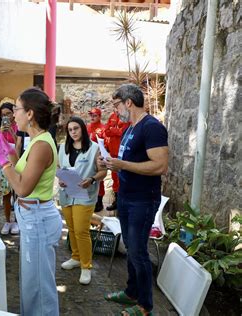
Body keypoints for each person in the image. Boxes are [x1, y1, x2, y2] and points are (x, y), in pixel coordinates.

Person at [0, 88, 62, 315]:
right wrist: (10, 150)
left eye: (17, 109)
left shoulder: (41, 145)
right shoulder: (35, 140)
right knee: (32, 282)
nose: (14, 115)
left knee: (40, 287)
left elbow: (22, 188)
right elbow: (22, 169)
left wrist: (3, 163)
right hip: (32, 217)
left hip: (38, 218)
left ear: (29, 113)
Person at [101, 84, 168, 316]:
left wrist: (123, 165)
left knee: (139, 251)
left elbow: (160, 165)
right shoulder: (131, 128)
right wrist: (109, 163)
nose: (115, 110)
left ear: (128, 102)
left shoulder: (152, 127)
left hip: (142, 200)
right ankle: (131, 292)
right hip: (127, 197)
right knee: (130, 247)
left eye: (116, 104)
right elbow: (125, 161)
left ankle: (146, 305)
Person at [58, 117, 106, 285]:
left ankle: (86, 266)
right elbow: (59, 167)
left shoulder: (94, 148)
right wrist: (60, 179)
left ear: (83, 129)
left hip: (85, 194)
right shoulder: (64, 148)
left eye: (76, 128)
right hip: (66, 193)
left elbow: (103, 172)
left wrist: (92, 179)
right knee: (71, 228)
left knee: (81, 230)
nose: (73, 132)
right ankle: (76, 257)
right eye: (70, 130)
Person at [0, 102, 19, 235]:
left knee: (17, 193)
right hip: (3, 163)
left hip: (17, 161)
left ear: (14, 113)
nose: (6, 116)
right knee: (6, 193)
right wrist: (1, 133)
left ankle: (17, 221)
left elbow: (19, 144)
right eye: (3, 114)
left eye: (8, 113)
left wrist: (11, 131)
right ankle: (7, 220)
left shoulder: (19, 126)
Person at [104, 107, 130, 211]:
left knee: (123, 178)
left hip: (123, 153)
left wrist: (113, 130)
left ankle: (124, 202)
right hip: (113, 152)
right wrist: (115, 131)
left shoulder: (126, 116)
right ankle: (117, 201)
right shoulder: (112, 116)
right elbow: (106, 132)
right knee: (114, 178)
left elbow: (123, 132)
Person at [86, 107, 106, 212]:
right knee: (89, 176)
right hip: (88, 157)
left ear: (99, 116)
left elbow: (106, 144)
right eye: (91, 115)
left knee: (100, 179)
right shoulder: (87, 127)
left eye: (95, 116)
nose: (92, 117)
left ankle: (99, 202)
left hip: (99, 157)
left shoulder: (103, 128)